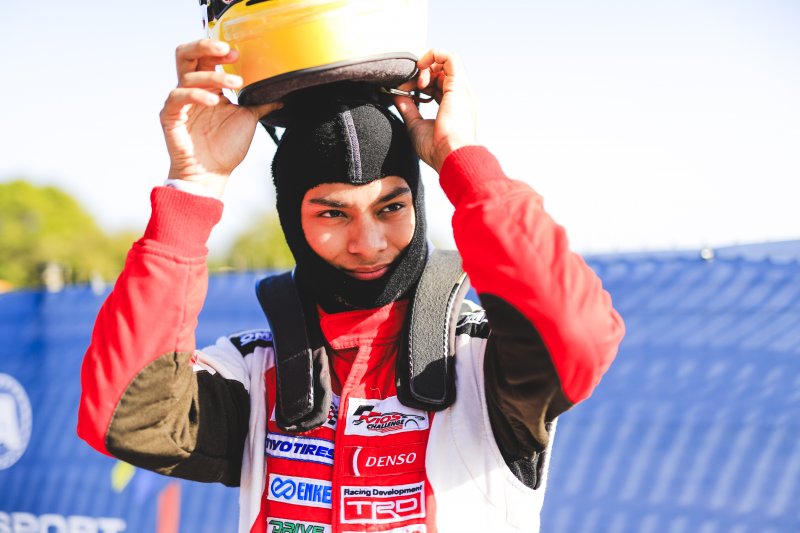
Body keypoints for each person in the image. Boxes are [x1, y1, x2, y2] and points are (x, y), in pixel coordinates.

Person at [77, 38, 624, 533]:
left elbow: (576, 336)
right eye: (333, 213)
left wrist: (462, 158)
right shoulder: (254, 371)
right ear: (292, 220)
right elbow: (129, 417)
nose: (368, 242)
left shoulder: (483, 360)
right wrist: (194, 187)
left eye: (391, 207)